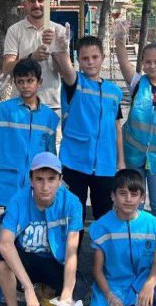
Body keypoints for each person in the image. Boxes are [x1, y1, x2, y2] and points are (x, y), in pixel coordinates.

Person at [0, 152, 82, 306]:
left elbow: (72, 252)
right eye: (39, 179)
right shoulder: (18, 200)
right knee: (1, 263)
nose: (45, 186)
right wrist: (28, 288)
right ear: (30, 180)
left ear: (60, 180)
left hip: (54, 261)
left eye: (51, 179)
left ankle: (47, 294)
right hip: (27, 259)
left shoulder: (72, 203)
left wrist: (67, 293)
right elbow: (5, 244)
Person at [114, 19, 156, 272]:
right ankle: (134, 246)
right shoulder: (137, 85)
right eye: (148, 62)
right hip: (134, 155)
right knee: (134, 201)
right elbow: (123, 61)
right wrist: (120, 39)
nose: (152, 66)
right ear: (142, 63)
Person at [83, 168, 156, 306]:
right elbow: (97, 270)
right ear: (113, 196)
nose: (128, 199)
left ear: (142, 198)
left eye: (134, 194)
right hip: (112, 286)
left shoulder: (154, 225)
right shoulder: (101, 227)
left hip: (141, 283)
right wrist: (110, 297)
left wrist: (148, 286)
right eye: (122, 193)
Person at [53, 32, 125, 227]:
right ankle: (72, 248)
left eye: (94, 57)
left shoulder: (114, 91)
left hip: (106, 163)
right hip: (74, 161)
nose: (90, 62)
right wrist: (62, 47)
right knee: (74, 216)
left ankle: (102, 248)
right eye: (85, 58)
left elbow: (117, 127)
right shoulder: (75, 83)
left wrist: (120, 161)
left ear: (103, 57)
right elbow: (65, 67)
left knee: (105, 215)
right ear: (78, 60)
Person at [0, 58, 59, 207]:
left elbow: (50, 153)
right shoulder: (3, 109)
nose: (25, 86)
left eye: (30, 81)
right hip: (5, 185)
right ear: (15, 83)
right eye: (20, 81)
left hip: (35, 186)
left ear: (40, 82)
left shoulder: (49, 116)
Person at [2, 0, 68, 113]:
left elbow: (66, 73)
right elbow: (6, 70)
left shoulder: (60, 30)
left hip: (51, 104)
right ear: (25, 4)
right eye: (32, 1)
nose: (36, 5)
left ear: (48, 3)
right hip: (20, 104)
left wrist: (55, 49)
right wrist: (31, 57)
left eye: (41, 0)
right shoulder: (14, 30)